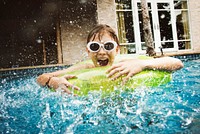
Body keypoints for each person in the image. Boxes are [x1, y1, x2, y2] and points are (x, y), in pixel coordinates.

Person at [37, 24, 184, 94]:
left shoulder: (127, 64)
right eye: (95, 47)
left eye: (108, 46)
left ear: (117, 49)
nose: (102, 52)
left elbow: (177, 63)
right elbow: (41, 78)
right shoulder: (85, 68)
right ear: (88, 51)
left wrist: (142, 64)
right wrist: (52, 81)